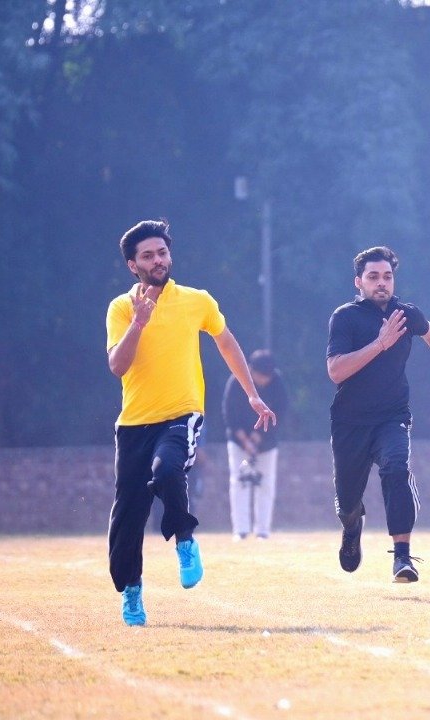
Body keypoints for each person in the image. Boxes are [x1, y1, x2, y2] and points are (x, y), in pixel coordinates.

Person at [106, 219, 276, 626]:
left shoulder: (196, 300)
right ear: (133, 265)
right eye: (148, 255)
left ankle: (184, 540)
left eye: (162, 252)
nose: (158, 260)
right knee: (128, 518)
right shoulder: (121, 308)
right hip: (133, 425)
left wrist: (252, 393)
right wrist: (139, 322)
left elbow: (226, 342)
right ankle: (132, 592)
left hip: (181, 415)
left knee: (168, 470)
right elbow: (117, 365)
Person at [326, 246, 430, 583]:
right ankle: (352, 525)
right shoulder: (345, 317)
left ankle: (402, 556)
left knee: (396, 468)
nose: (381, 283)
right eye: (373, 277)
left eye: (387, 276)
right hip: (350, 422)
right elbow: (336, 371)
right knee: (347, 502)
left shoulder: (406, 314)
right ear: (358, 282)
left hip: (392, 416)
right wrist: (380, 344)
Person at [222, 349, 291, 540]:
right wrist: (245, 441)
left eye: (268, 376)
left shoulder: (277, 383)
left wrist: (259, 437)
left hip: (267, 443)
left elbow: (281, 412)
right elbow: (229, 414)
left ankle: (262, 531)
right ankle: (240, 530)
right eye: (261, 375)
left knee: (266, 483)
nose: (265, 380)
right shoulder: (236, 381)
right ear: (251, 370)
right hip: (239, 442)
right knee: (240, 482)